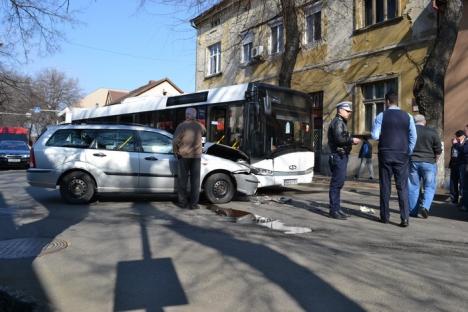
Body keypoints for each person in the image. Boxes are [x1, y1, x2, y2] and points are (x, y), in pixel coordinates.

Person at [371, 91, 417, 227]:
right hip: (402, 154)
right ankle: (405, 218)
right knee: (402, 187)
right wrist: (408, 151)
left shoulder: (381, 115)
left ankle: (384, 217)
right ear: (397, 101)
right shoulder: (408, 116)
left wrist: (385, 138)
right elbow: (413, 137)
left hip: (385, 153)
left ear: (386, 101)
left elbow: (374, 135)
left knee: (385, 186)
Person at [328, 101, 361, 219]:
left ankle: (336, 208)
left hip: (341, 156)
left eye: (350, 112)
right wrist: (352, 140)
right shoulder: (337, 122)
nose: (349, 113)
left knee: (339, 183)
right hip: (338, 156)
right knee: (336, 184)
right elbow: (339, 139)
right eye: (347, 111)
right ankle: (334, 210)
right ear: (340, 110)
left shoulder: (341, 122)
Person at [408, 114, 442, 218]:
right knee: (429, 186)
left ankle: (413, 211)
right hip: (429, 162)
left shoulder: (409, 132)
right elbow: (438, 150)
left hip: (413, 161)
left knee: (413, 186)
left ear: (414, 122)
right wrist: (435, 160)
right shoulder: (432, 132)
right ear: (424, 122)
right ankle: (425, 207)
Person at [173, 108, 206, 210]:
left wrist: (176, 152)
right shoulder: (200, 126)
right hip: (196, 157)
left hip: (184, 156)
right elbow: (204, 132)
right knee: (195, 182)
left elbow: (175, 141)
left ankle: (183, 203)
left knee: (182, 180)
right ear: (195, 116)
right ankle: (194, 204)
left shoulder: (182, 126)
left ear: (186, 115)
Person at [449, 130, 466, 205]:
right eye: (456, 137)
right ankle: (454, 199)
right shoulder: (455, 144)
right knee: (453, 183)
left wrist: (456, 144)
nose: (457, 138)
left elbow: (463, 150)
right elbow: (453, 155)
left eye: (458, 137)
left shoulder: (465, 143)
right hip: (454, 165)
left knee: (462, 183)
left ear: (462, 136)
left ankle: (462, 200)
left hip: (461, 165)